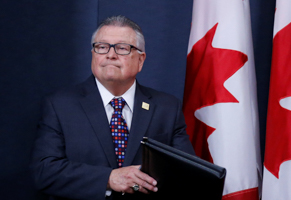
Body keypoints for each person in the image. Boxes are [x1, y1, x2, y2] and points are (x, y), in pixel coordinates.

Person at [30, 15, 195, 200]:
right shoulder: (59, 105)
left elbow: (186, 174)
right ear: (93, 54)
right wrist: (108, 179)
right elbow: (44, 171)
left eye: (122, 48)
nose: (110, 54)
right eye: (102, 47)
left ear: (141, 60)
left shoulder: (167, 107)